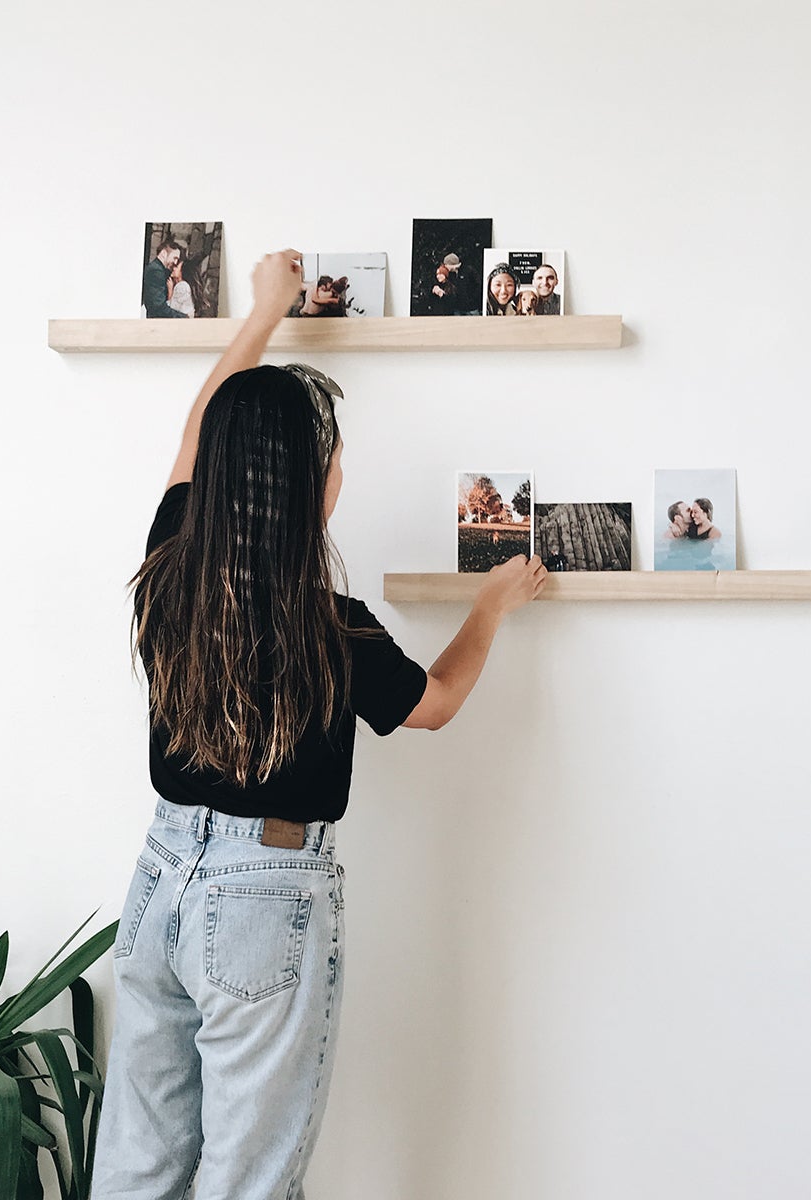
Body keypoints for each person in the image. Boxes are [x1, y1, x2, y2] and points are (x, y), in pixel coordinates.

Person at [89, 249, 547, 1200]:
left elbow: (192, 436)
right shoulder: (329, 623)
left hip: (159, 880)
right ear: (318, 485)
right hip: (264, 899)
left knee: (138, 1167)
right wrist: (492, 607)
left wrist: (262, 312)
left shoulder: (169, 566)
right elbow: (437, 705)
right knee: (247, 1180)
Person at [143, 239, 191, 319]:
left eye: (177, 259)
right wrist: (184, 317)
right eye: (174, 258)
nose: (175, 262)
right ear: (164, 253)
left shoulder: (159, 270)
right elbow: (158, 307)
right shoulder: (156, 271)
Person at [169, 252, 210, 318]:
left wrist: (170, 292)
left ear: (182, 271)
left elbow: (171, 310)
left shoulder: (182, 286)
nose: (173, 268)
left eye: (176, 267)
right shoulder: (185, 285)